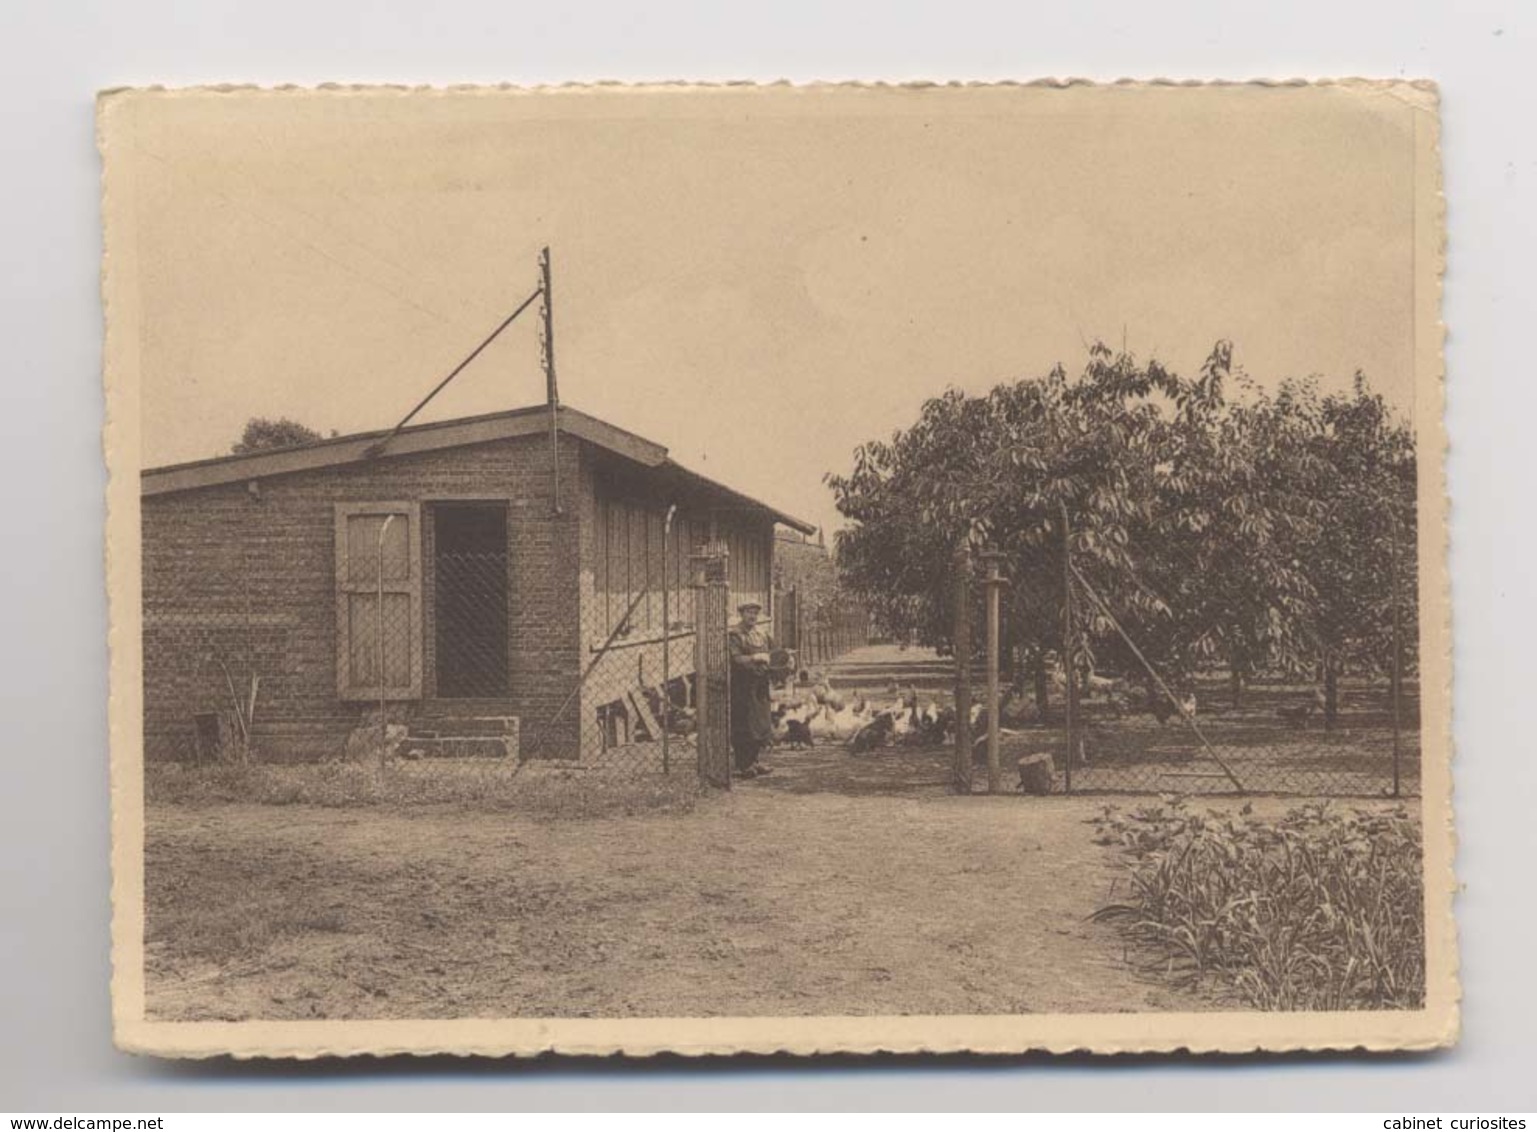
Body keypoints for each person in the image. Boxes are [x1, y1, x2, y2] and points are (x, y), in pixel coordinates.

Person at [728, 601, 776, 778]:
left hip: (760, 684)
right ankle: (744, 764)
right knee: (744, 724)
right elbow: (735, 659)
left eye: (755, 613)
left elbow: (775, 651)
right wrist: (755, 657)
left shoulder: (761, 633)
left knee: (761, 723)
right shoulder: (735, 634)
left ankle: (755, 760)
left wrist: (784, 659)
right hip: (742, 685)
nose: (752, 616)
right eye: (749, 612)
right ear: (742, 614)